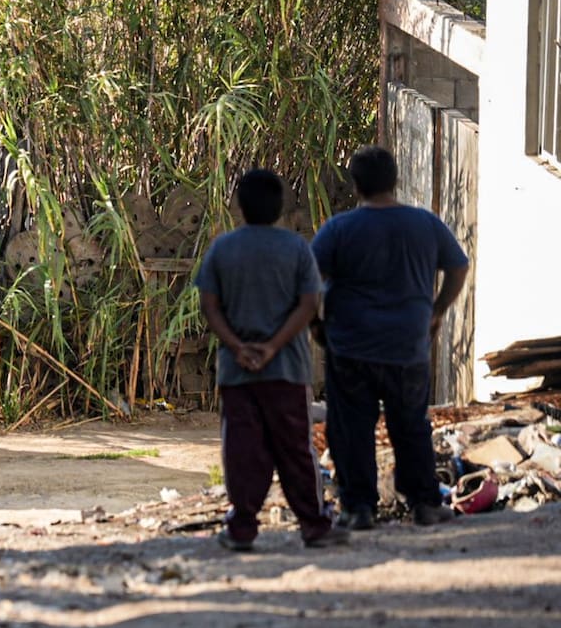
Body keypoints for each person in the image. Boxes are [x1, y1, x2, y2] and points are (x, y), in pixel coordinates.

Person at [311, 145, 469, 529]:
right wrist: (437, 310)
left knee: (352, 428)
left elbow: (307, 279)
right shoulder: (424, 224)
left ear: (355, 184)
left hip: (350, 348)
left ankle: (358, 508)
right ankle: (424, 504)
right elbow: (458, 266)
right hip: (407, 346)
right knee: (411, 424)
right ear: (395, 180)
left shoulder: (339, 229)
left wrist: (316, 325)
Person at [195, 168, 348, 551]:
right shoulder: (295, 248)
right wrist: (274, 346)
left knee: (242, 451)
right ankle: (314, 525)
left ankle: (242, 528)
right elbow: (309, 304)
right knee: (295, 448)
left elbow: (209, 306)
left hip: (237, 372)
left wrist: (238, 346)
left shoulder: (222, 248)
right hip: (287, 369)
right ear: (280, 207)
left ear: (239, 206)